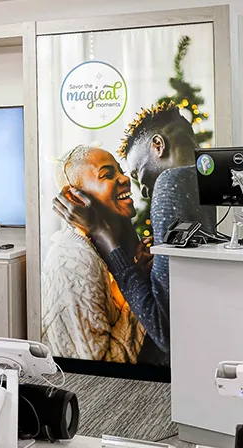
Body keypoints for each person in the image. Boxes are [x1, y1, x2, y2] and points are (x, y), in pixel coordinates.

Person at [55, 103, 216, 359]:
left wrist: (102, 234)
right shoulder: (206, 185)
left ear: (158, 145)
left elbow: (165, 331)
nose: (141, 189)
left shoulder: (171, 183)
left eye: (135, 172)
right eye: (108, 174)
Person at [42, 145, 146, 363]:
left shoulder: (118, 243)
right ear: (75, 198)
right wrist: (142, 286)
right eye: (107, 174)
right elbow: (96, 367)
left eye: (121, 171)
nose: (124, 179)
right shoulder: (73, 258)